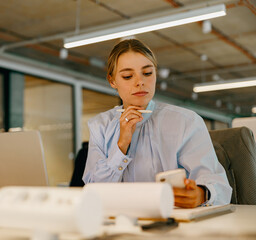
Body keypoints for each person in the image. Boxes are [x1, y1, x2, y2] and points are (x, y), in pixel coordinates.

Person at [82, 39, 232, 208]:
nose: (140, 82)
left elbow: (218, 184)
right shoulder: (100, 126)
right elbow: (93, 192)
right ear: (112, 81)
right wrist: (121, 144)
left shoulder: (186, 121)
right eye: (127, 76)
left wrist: (202, 193)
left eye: (147, 73)